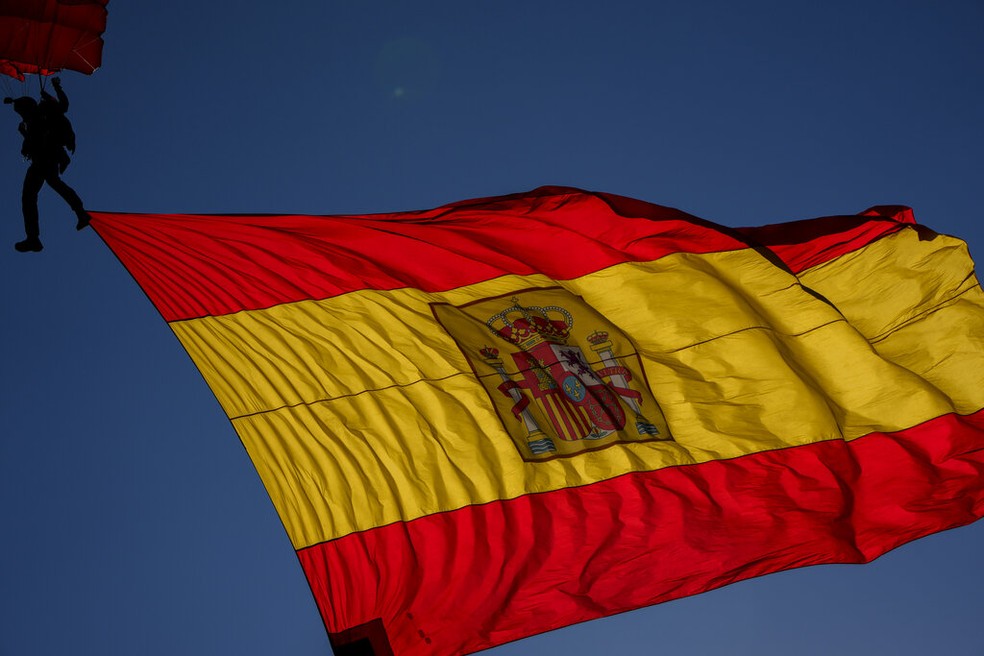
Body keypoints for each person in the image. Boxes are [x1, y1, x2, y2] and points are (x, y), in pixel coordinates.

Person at [4, 77, 90, 253]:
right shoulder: (33, 122)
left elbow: (63, 106)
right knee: (52, 184)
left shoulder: (43, 113)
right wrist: (24, 134)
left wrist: (56, 88)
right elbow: (33, 144)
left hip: (46, 159)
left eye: (19, 111)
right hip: (46, 159)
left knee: (30, 195)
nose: (20, 115)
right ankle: (79, 212)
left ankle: (34, 237)